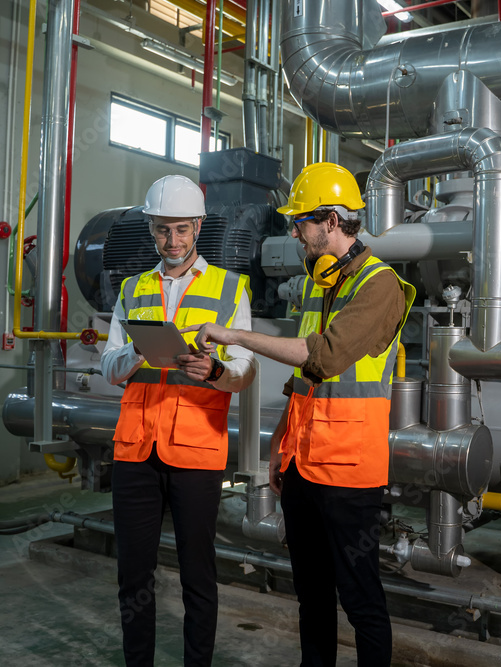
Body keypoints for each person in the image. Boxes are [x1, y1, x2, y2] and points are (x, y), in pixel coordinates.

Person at [184, 162, 416, 667]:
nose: (294, 231)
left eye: (302, 222)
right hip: (303, 464)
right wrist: (278, 442)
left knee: (361, 601)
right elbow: (306, 381)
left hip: (350, 472)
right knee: (312, 597)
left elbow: (324, 356)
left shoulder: (381, 286)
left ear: (331, 221)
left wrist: (237, 335)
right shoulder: (320, 281)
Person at [100, 174, 255, 667]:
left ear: (199, 227)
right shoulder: (132, 288)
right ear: (150, 228)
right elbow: (108, 368)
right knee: (133, 575)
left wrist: (214, 370)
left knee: (197, 573)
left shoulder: (230, 288)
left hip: (195, 449)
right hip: (136, 453)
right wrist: (137, 352)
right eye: (163, 230)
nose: (173, 241)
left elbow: (245, 370)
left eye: (182, 230)